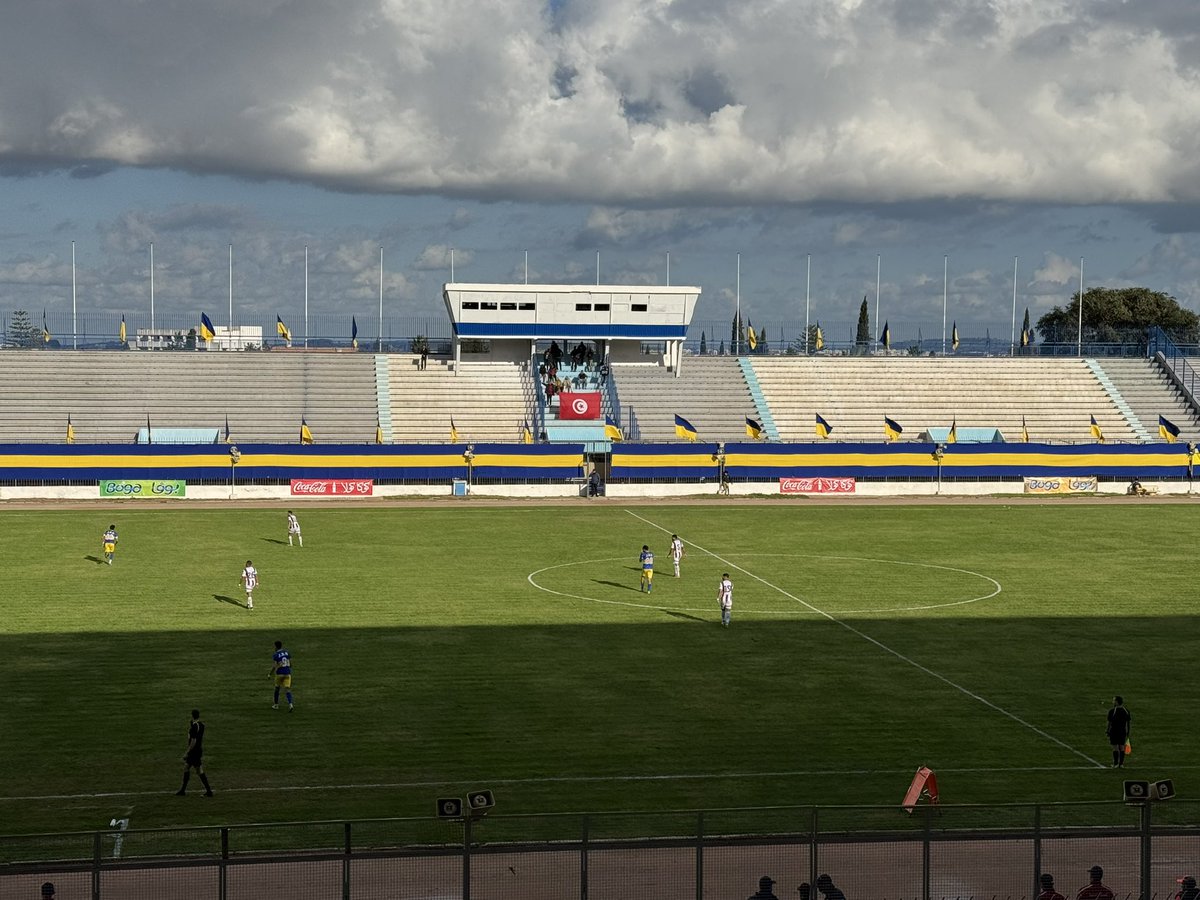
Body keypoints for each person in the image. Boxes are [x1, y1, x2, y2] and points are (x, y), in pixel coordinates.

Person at [176, 708, 214, 796]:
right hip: (198, 750)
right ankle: (183, 790)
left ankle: (209, 791)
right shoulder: (201, 725)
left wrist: (187, 752)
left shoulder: (194, 727)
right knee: (188, 768)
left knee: (198, 770)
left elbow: (193, 741)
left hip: (194, 751)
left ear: (192, 715)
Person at [1107, 696, 1131, 768]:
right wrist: (1128, 731)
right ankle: (1121, 764)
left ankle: (1115, 764)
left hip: (1114, 731)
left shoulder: (1112, 711)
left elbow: (1109, 723)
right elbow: (1128, 722)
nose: (1113, 702)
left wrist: (1107, 731)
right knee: (1122, 747)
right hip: (1122, 731)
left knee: (1115, 747)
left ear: (1117, 702)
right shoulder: (1126, 711)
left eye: (1114, 700)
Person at [270, 640, 294, 711]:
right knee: (287, 690)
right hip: (287, 673)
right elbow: (291, 664)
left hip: (279, 674)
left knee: (277, 688)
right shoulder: (287, 653)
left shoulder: (276, 655)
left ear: (276, 647)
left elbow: (274, 666)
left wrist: (270, 674)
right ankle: (290, 704)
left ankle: (276, 705)